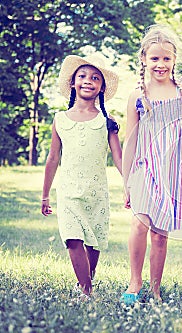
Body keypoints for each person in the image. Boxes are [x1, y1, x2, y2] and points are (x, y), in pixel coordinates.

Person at [120, 24, 182, 305]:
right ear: (144, 59)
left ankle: (154, 289)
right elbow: (130, 140)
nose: (160, 64)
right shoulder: (137, 95)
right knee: (139, 224)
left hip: (175, 169)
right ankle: (134, 281)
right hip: (144, 167)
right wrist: (125, 182)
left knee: (160, 235)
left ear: (175, 60)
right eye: (154, 58)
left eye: (166, 58)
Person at [41, 55, 122, 300]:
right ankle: (86, 291)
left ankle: (87, 279)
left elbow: (119, 158)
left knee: (93, 242)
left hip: (96, 191)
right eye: (83, 76)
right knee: (72, 238)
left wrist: (130, 187)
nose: (89, 81)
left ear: (102, 87)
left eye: (95, 78)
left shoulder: (106, 122)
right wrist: (45, 194)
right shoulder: (60, 119)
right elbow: (53, 158)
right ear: (73, 83)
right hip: (67, 191)